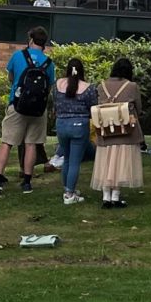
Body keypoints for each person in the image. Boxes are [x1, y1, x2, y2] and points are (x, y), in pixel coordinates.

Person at [0, 26, 55, 195]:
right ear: (44, 42)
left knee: (7, 142)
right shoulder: (49, 63)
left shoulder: (18, 56)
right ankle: (27, 181)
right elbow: (49, 86)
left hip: (17, 104)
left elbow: (11, 77)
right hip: (38, 109)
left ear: (31, 40)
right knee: (31, 144)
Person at [90, 58, 143, 208]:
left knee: (106, 164)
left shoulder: (102, 86)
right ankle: (115, 196)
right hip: (126, 131)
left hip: (106, 129)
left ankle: (106, 196)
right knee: (120, 164)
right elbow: (138, 108)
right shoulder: (132, 86)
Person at [52, 57, 97, 205]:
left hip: (61, 124)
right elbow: (93, 107)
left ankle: (67, 188)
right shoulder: (88, 87)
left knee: (66, 159)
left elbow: (55, 102)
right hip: (79, 125)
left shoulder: (57, 84)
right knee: (75, 162)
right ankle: (69, 194)